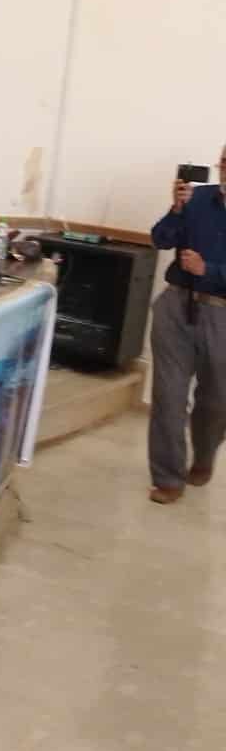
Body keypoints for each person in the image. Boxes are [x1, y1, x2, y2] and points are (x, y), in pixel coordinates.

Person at [146, 148, 226, 504]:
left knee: (217, 402)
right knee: (169, 396)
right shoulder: (197, 197)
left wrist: (209, 270)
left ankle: (204, 456)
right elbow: (161, 239)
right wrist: (177, 210)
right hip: (177, 306)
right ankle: (168, 478)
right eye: (225, 161)